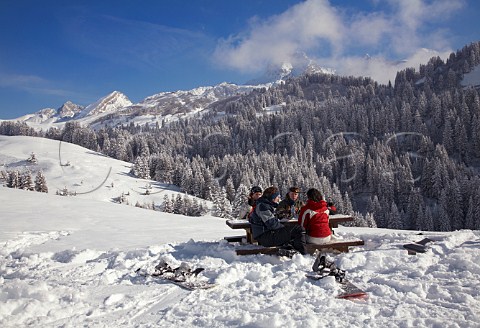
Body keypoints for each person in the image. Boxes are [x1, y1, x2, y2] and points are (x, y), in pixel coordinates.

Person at [249, 186, 307, 254]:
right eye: (277, 196)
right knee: (298, 229)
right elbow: (271, 223)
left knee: (293, 231)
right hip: (266, 237)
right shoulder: (263, 206)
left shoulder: (265, 205)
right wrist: (284, 228)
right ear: (272, 197)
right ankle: (302, 254)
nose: (278, 198)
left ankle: (293, 251)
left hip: (266, 235)